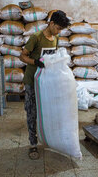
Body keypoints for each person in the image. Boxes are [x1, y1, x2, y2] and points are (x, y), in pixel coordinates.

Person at [20, 10, 70, 160]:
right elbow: (22, 56)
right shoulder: (36, 38)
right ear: (52, 23)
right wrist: (36, 62)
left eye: (61, 30)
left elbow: (53, 56)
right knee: (32, 112)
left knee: (48, 111)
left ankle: (48, 139)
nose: (59, 31)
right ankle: (33, 144)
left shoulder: (56, 37)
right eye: (58, 28)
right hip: (32, 81)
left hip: (46, 81)